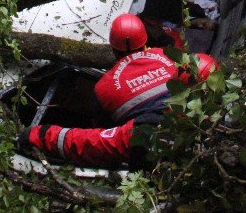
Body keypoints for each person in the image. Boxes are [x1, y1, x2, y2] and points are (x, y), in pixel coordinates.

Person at [18, 14, 218, 168]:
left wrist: (38, 135)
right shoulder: (167, 55)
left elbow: (89, 140)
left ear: (113, 49)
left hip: (142, 139)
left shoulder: (105, 88)